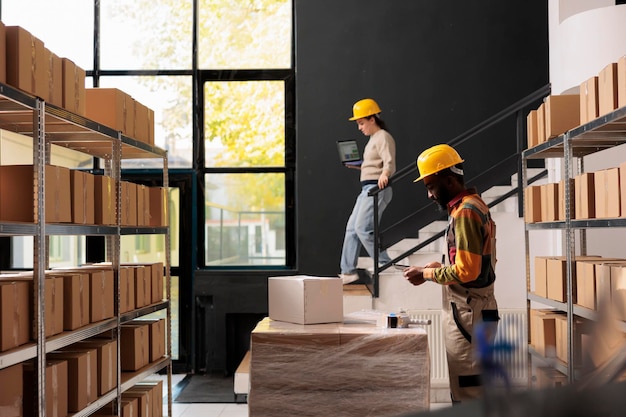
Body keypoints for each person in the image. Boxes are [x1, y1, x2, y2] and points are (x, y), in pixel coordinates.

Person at [402, 144, 499, 403]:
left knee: (468, 390)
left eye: (431, 187)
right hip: (475, 310)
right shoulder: (471, 206)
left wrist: (425, 275)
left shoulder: (466, 212)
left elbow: (467, 271)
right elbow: (470, 262)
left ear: (449, 180)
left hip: (469, 313)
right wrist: (434, 268)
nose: (430, 195)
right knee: (473, 387)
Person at [339, 98, 396, 285]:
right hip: (367, 188)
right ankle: (348, 272)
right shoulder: (372, 139)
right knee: (351, 229)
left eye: (361, 123)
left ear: (373, 119)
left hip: (376, 189)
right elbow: (374, 163)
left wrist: (385, 173)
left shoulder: (383, 137)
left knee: (363, 229)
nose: (360, 127)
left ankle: (384, 263)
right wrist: (361, 167)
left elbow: (389, 161)